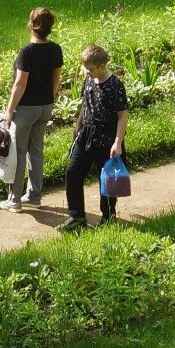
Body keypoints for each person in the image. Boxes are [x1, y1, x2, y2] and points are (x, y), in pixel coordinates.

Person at [0, 6, 63, 211]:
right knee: (36, 152)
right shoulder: (56, 49)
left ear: (31, 25)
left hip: (26, 109)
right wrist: (48, 99)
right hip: (45, 106)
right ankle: (35, 196)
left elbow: (20, 84)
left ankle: (15, 200)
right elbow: (55, 80)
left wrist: (10, 110)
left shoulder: (27, 52)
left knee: (18, 153)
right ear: (50, 27)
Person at [62, 44, 128, 230]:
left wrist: (117, 143)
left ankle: (108, 217)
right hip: (86, 134)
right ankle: (77, 217)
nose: (87, 72)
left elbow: (123, 115)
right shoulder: (90, 79)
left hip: (107, 136)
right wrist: (77, 130)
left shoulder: (115, 85)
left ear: (102, 66)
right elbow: (86, 105)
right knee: (73, 172)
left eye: (90, 69)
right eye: (85, 68)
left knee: (107, 178)